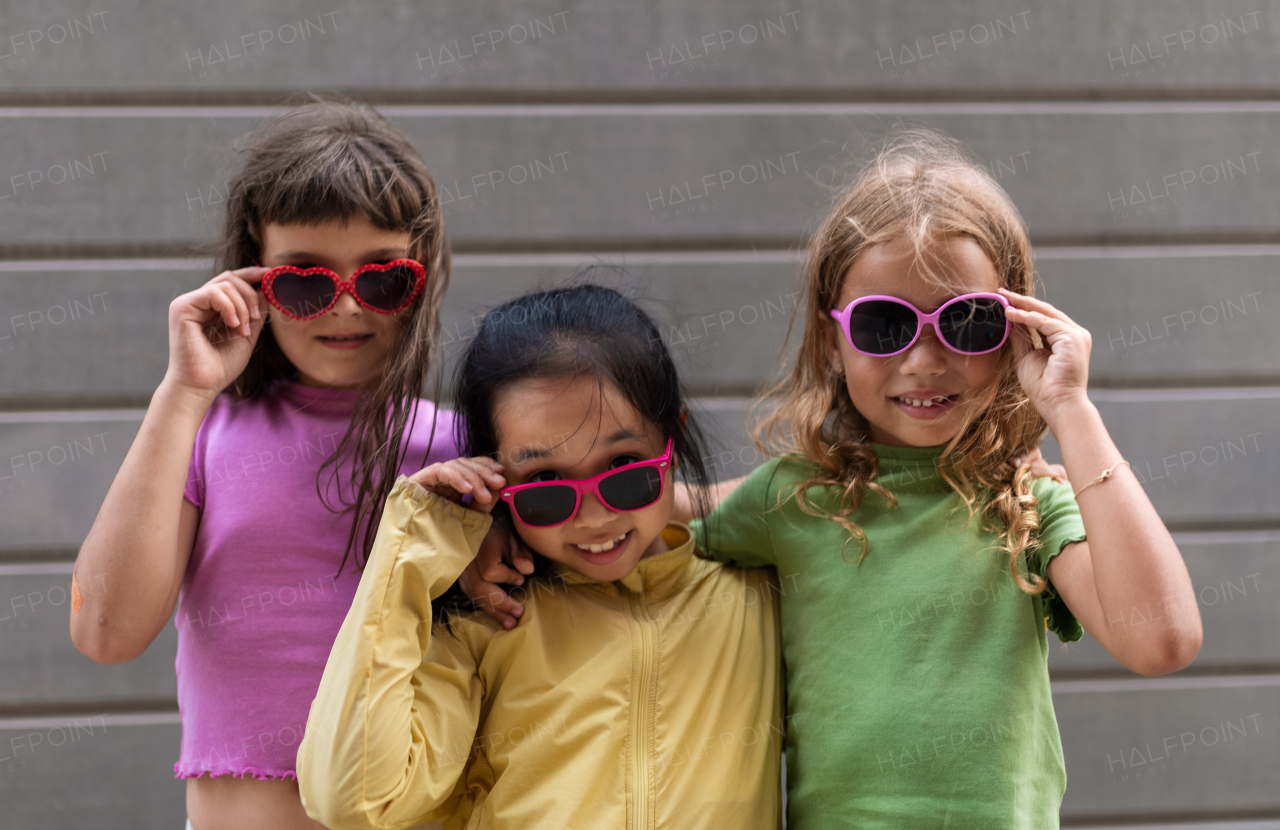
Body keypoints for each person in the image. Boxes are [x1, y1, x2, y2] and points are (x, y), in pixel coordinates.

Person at [690, 130, 1203, 827]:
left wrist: (1071, 410)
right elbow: (629, 513)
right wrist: (491, 497)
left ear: (1018, 332)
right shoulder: (796, 497)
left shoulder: (1027, 504)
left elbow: (1162, 640)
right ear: (828, 342)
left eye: (967, 321)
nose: (925, 360)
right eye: (883, 325)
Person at [70, 97, 456, 830]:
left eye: (381, 277)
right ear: (253, 274)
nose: (346, 308)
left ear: (422, 273)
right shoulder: (201, 433)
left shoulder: (462, 451)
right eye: (305, 280)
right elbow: (105, 631)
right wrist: (182, 391)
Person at [297, 284, 785, 829]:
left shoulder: (759, 597)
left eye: (625, 468)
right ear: (498, 482)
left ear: (674, 435)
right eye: (546, 486)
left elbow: (836, 492)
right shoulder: (484, 621)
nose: (595, 516)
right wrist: (413, 549)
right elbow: (354, 799)